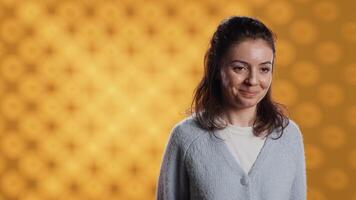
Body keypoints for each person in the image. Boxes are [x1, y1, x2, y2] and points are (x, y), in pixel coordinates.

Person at [156, 16, 307, 200]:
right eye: (239, 68)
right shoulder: (186, 137)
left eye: (264, 69)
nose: (252, 80)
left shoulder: (289, 136)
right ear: (218, 69)